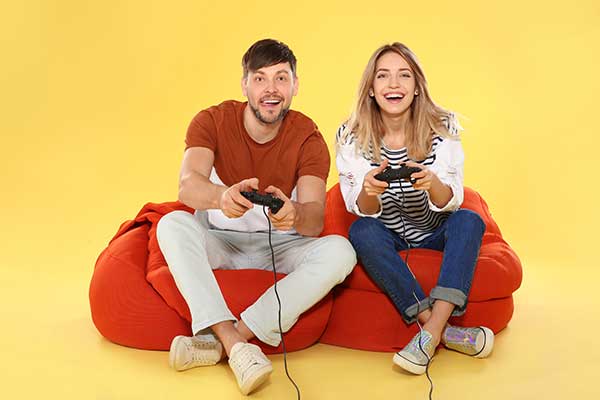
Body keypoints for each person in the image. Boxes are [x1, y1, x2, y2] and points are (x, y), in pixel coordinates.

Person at [157, 39, 356, 395]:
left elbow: (313, 221)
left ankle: (228, 342)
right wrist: (221, 196)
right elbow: (187, 187)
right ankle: (236, 347)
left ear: (295, 86)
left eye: (281, 79)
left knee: (341, 252)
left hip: (283, 247)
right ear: (245, 84)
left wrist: (293, 215)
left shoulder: (308, 137)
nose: (271, 89)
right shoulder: (211, 121)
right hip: (220, 239)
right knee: (171, 224)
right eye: (261, 79)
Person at [335, 42, 494, 375]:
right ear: (371, 90)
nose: (394, 84)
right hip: (387, 235)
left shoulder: (444, 126)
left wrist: (432, 183)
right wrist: (369, 189)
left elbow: (452, 198)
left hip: (435, 231)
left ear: (417, 88)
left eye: (404, 75)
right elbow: (358, 207)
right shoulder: (350, 135)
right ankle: (440, 330)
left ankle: (430, 334)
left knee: (469, 220)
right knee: (360, 230)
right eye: (383, 76)